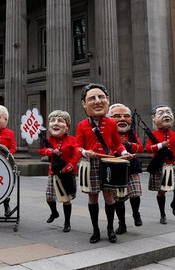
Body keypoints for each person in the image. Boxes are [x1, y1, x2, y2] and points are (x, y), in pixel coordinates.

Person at [75, 83, 131, 244]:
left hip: (108, 165)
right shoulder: (82, 125)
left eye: (101, 97)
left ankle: (110, 229)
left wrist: (124, 153)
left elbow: (117, 144)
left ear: (107, 100)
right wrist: (85, 152)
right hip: (91, 164)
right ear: (84, 104)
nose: (98, 101)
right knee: (92, 198)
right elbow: (77, 147)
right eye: (92, 98)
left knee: (109, 198)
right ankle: (95, 230)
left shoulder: (112, 123)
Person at [39, 110, 78, 232]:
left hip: (67, 173)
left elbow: (76, 156)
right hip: (54, 172)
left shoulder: (72, 140)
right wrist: (51, 151)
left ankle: (67, 223)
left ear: (67, 127)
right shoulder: (48, 139)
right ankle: (54, 212)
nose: (55, 124)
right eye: (52, 121)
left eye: (60, 121)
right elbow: (42, 150)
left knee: (66, 199)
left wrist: (69, 167)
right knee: (49, 197)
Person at [108, 103, 143, 234]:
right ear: (109, 118)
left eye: (126, 116)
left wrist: (128, 144)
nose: (122, 119)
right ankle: (122, 224)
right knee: (119, 199)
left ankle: (136, 213)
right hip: (115, 169)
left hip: (131, 168)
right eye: (117, 116)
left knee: (135, 194)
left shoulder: (132, 133)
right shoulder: (108, 133)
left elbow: (140, 148)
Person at [146, 105, 175, 224]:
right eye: (161, 113)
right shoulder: (153, 134)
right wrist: (160, 145)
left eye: (168, 112)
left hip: (173, 165)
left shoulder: (174, 134)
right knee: (161, 191)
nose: (166, 115)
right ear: (154, 118)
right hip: (160, 166)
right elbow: (148, 149)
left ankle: (174, 205)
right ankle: (162, 214)